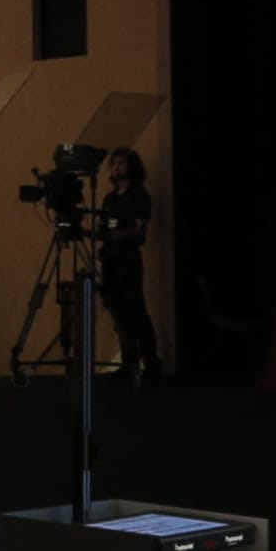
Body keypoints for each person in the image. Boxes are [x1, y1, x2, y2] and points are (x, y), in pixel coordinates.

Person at [97, 155, 164, 383]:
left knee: (135, 311)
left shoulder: (139, 196)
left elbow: (140, 231)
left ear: (131, 167)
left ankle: (151, 364)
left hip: (128, 260)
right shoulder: (109, 198)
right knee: (118, 313)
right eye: (114, 163)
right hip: (110, 260)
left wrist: (120, 235)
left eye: (121, 163)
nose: (116, 167)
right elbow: (104, 227)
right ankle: (128, 362)